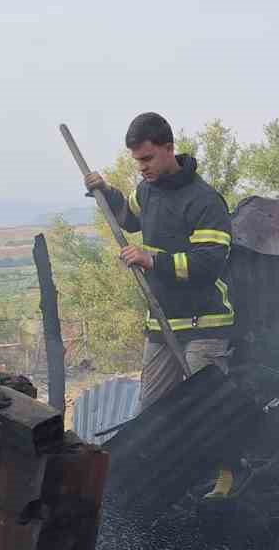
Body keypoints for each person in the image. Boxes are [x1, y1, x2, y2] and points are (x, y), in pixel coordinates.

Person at [83, 112, 236, 408]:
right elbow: (128, 218)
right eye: (137, 161)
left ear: (169, 148)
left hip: (204, 325)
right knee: (151, 415)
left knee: (208, 414)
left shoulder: (205, 200)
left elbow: (208, 264)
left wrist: (152, 260)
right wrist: (106, 192)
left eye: (148, 159)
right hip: (162, 321)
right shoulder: (146, 191)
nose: (142, 168)